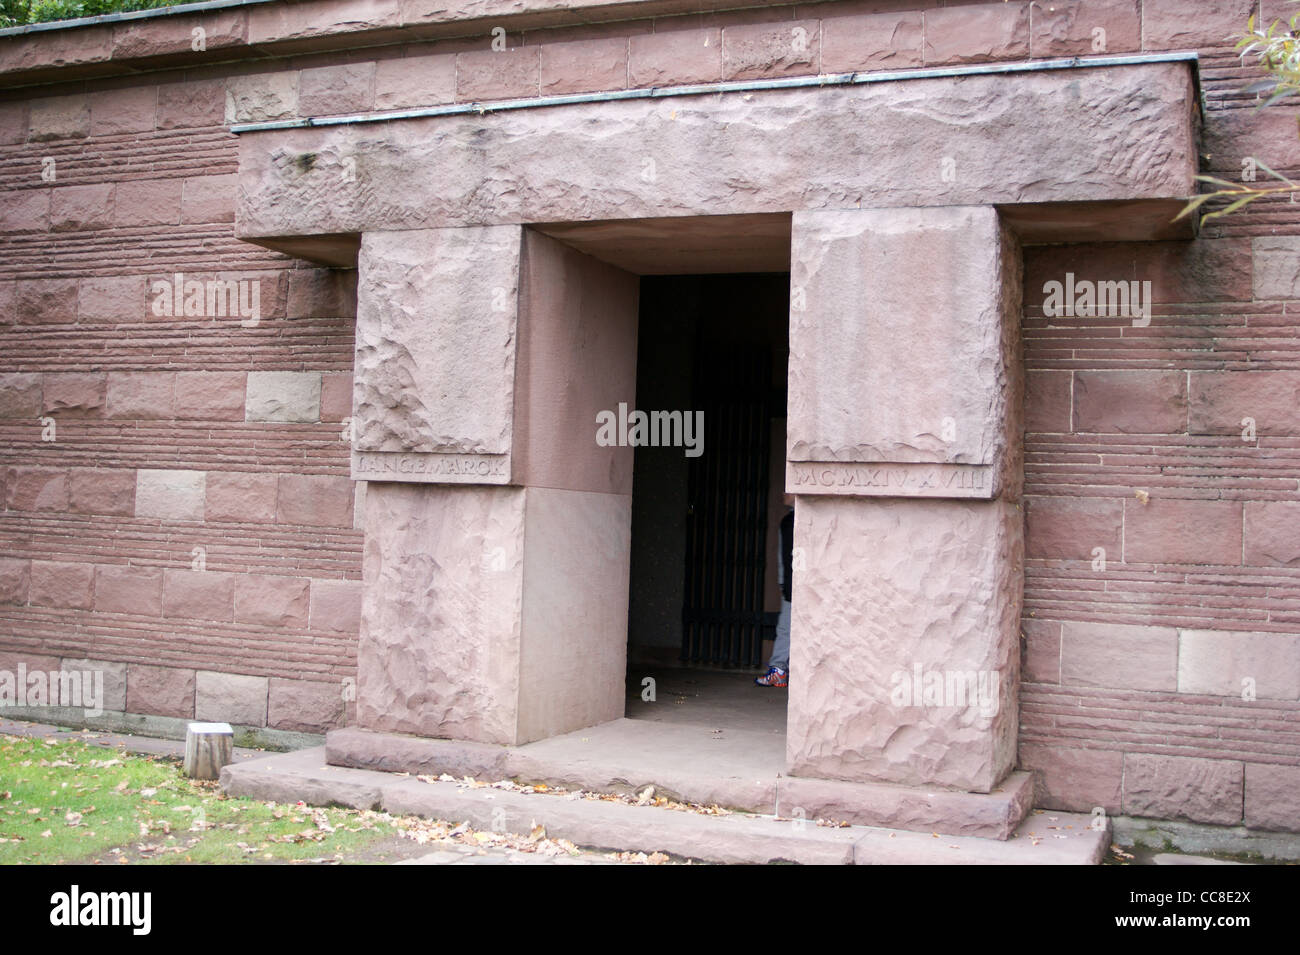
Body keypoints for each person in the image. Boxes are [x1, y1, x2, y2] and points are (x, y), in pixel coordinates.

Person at [756, 493, 794, 688]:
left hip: (798, 584)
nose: (784, 494)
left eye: (789, 490)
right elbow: (782, 557)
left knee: (786, 630)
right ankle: (779, 670)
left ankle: (778, 670)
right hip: (792, 585)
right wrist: (782, 581)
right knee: (785, 629)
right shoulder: (787, 521)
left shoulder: (795, 521)